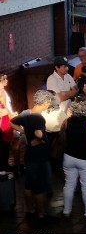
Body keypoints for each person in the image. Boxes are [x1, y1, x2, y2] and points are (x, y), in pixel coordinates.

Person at [10, 90, 57, 223]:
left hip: (30, 156)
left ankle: (30, 210)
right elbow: (39, 133)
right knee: (40, 187)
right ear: (46, 101)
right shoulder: (38, 117)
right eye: (49, 102)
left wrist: (24, 132)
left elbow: (11, 122)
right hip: (38, 157)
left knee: (29, 185)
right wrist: (40, 138)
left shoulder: (27, 113)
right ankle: (41, 215)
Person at [61, 100, 86, 220]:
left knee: (69, 184)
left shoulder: (67, 121)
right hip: (85, 158)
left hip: (69, 156)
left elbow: (62, 137)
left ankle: (66, 211)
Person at [0, 74, 17, 172]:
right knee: (3, 146)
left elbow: (6, 106)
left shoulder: (3, 92)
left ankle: (6, 166)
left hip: (6, 119)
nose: (6, 81)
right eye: (3, 79)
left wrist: (10, 114)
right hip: (3, 121)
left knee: (6, 146)